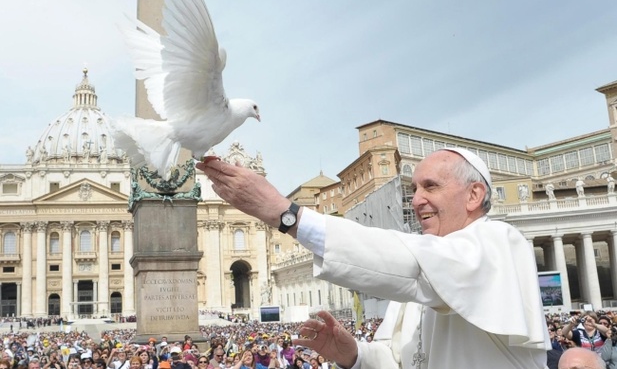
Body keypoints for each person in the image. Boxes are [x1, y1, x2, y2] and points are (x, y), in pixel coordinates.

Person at [197, 147, 550, 369]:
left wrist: (286, 214)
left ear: (475, 195)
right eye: (413, 190)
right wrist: (355, 355)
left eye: (431, 186)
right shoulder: (423, 273)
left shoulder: (500, 242)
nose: (416, 201)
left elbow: (410, 263)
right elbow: (397, 359)